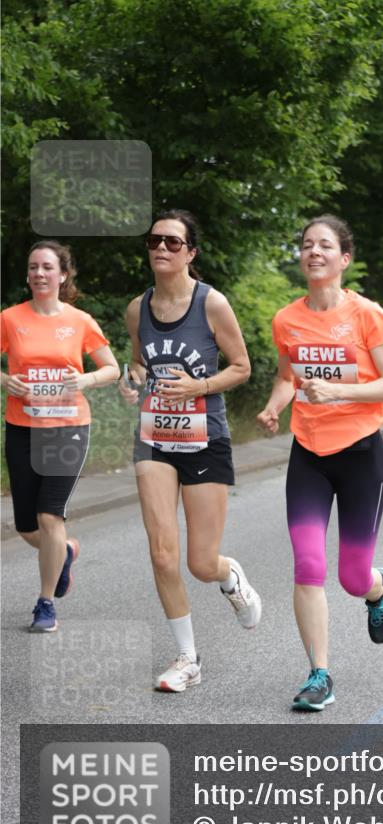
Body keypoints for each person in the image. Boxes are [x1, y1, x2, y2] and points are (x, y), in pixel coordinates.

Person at [257, 214, 383, 711]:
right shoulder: (287, 319)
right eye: (306, 245)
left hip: (362, 454)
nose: (313, 251)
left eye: (324, 245)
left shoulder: (367, 315)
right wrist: (276, 404)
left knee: (351, 577)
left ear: (344, 259)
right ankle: (319, 674)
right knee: (308, 565)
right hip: (309, 455)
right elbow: (287, 376)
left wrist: (338, 390)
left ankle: (378, 588)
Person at [119, 209, 261, 693]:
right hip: (154, 437)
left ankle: (229, 576)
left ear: (190, 253)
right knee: (162, 553)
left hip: (205, 437)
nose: (161, 248)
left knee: (200, 562)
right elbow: (139, 365)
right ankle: (188, 658)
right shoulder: (137, 309)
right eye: (155, 240)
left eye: (173, 243)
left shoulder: (212, 304)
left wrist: (197, 385)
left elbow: (241, 367)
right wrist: (131, 380)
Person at [1, 241, 119, 632]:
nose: (39, 274)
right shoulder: (10, 319)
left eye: (47, 267)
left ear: (62, 275)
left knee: (49, 515)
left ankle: (45, 603)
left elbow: (112, 369)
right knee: (26, 527)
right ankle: (65, 552)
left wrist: (85, 378)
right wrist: (5, 381)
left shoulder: (80, 321)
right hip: (22, 428)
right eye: (33, 267)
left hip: (68, 428)